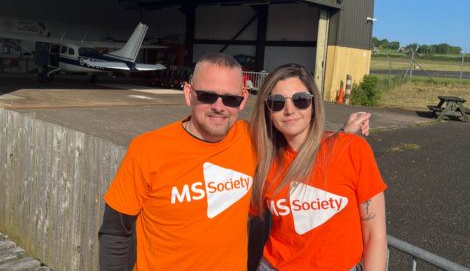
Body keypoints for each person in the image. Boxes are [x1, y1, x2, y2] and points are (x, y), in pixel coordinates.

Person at [98, 53, 371, 271]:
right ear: (189, 94)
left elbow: (298, 132)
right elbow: (115, 232)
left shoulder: (252, 139)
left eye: (229, 98)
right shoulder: (147, 149)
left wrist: (344, 135)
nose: (219, 106)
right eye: (207, 95)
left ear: (242, 101)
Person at [248, 63, 387, 271]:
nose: (289, 110)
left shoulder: (352, 149)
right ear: (267, 112)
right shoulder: (263, 160)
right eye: (276, 103)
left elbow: (374, 235)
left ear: (313, 105)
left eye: (300, 100)